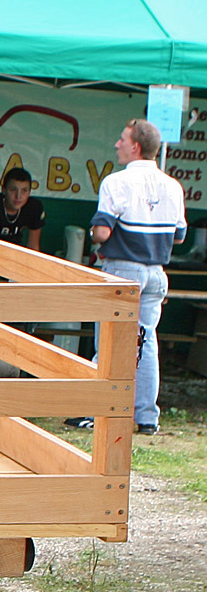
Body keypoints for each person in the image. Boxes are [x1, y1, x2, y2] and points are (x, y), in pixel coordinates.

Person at [88, 119, 186, 435]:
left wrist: (93, 234)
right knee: (146, 343)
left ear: (135, 146)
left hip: (122, 270)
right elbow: (180, 236)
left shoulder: (116, 182)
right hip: (156, 272)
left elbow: (103, 232)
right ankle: (146, 417)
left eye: (121, 139)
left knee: (110, 341)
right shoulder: (173, 185)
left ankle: (96, 410)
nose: (117, 144)